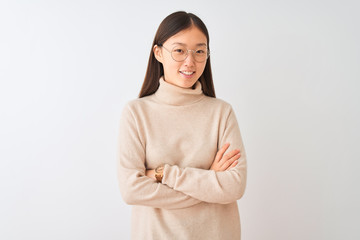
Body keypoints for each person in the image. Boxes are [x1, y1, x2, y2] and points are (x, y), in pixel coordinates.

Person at [117, 11, 247, 240]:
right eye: (179, 50)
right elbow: (131, 190)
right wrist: (209, 181)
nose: (190, 61)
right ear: (158, 52)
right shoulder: (136, 113)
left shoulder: (221, 112)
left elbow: (234, 186)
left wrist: (162, 173)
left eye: (199, 51)